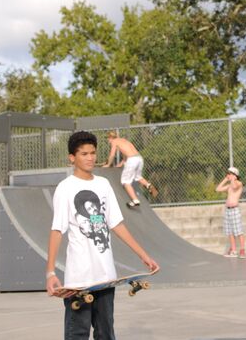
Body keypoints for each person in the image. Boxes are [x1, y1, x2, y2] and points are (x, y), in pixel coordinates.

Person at [46, 131, 159, 340]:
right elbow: (56, 230)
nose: (90, 158)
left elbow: (116, 224)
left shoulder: (103, 184)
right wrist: (50, 272)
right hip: (79, 280)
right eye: (84, 154)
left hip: (106, 277)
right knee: (76, 334)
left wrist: (143, 255)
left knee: (106, 334)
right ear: (72, 157)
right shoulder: (65, 188)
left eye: (93, 153)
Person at [101, 130, 158, 207]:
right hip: (139, 158)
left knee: (125, 181)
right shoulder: (124, 140)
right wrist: (121, 164)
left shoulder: (114, 141)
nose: (108, 141)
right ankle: (148, 185)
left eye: (108, 139)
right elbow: (125, 155)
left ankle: (135, 200)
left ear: (110, 137)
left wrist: (108, 164)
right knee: (137, 177)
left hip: (132, 160)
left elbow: (112, 154)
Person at [215, 166, 246, 258]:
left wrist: (233, 179)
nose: (228, 175)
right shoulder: (229, 185)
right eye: (228, 174)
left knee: (239, 231)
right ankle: (233, 250)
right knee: (230, 232)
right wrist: (225, 179)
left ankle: (242, 250)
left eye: (229, 174)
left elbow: (234, 186)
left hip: (235, 210)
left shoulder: (239, 183)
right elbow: (217, 189)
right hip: (228, 210)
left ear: (235, 175)